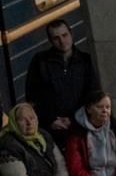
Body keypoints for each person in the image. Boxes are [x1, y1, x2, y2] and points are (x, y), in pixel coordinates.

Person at [25, 19, 100, 148]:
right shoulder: (40, 61)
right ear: (50, 41)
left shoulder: (85, 61)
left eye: (64, 35)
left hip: (80, 128)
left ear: (71, 34)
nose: (62, 41)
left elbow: (91, 94)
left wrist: (72, 119)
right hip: (50, 131)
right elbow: (32, 96)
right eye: (56, 38)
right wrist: (50, 120)